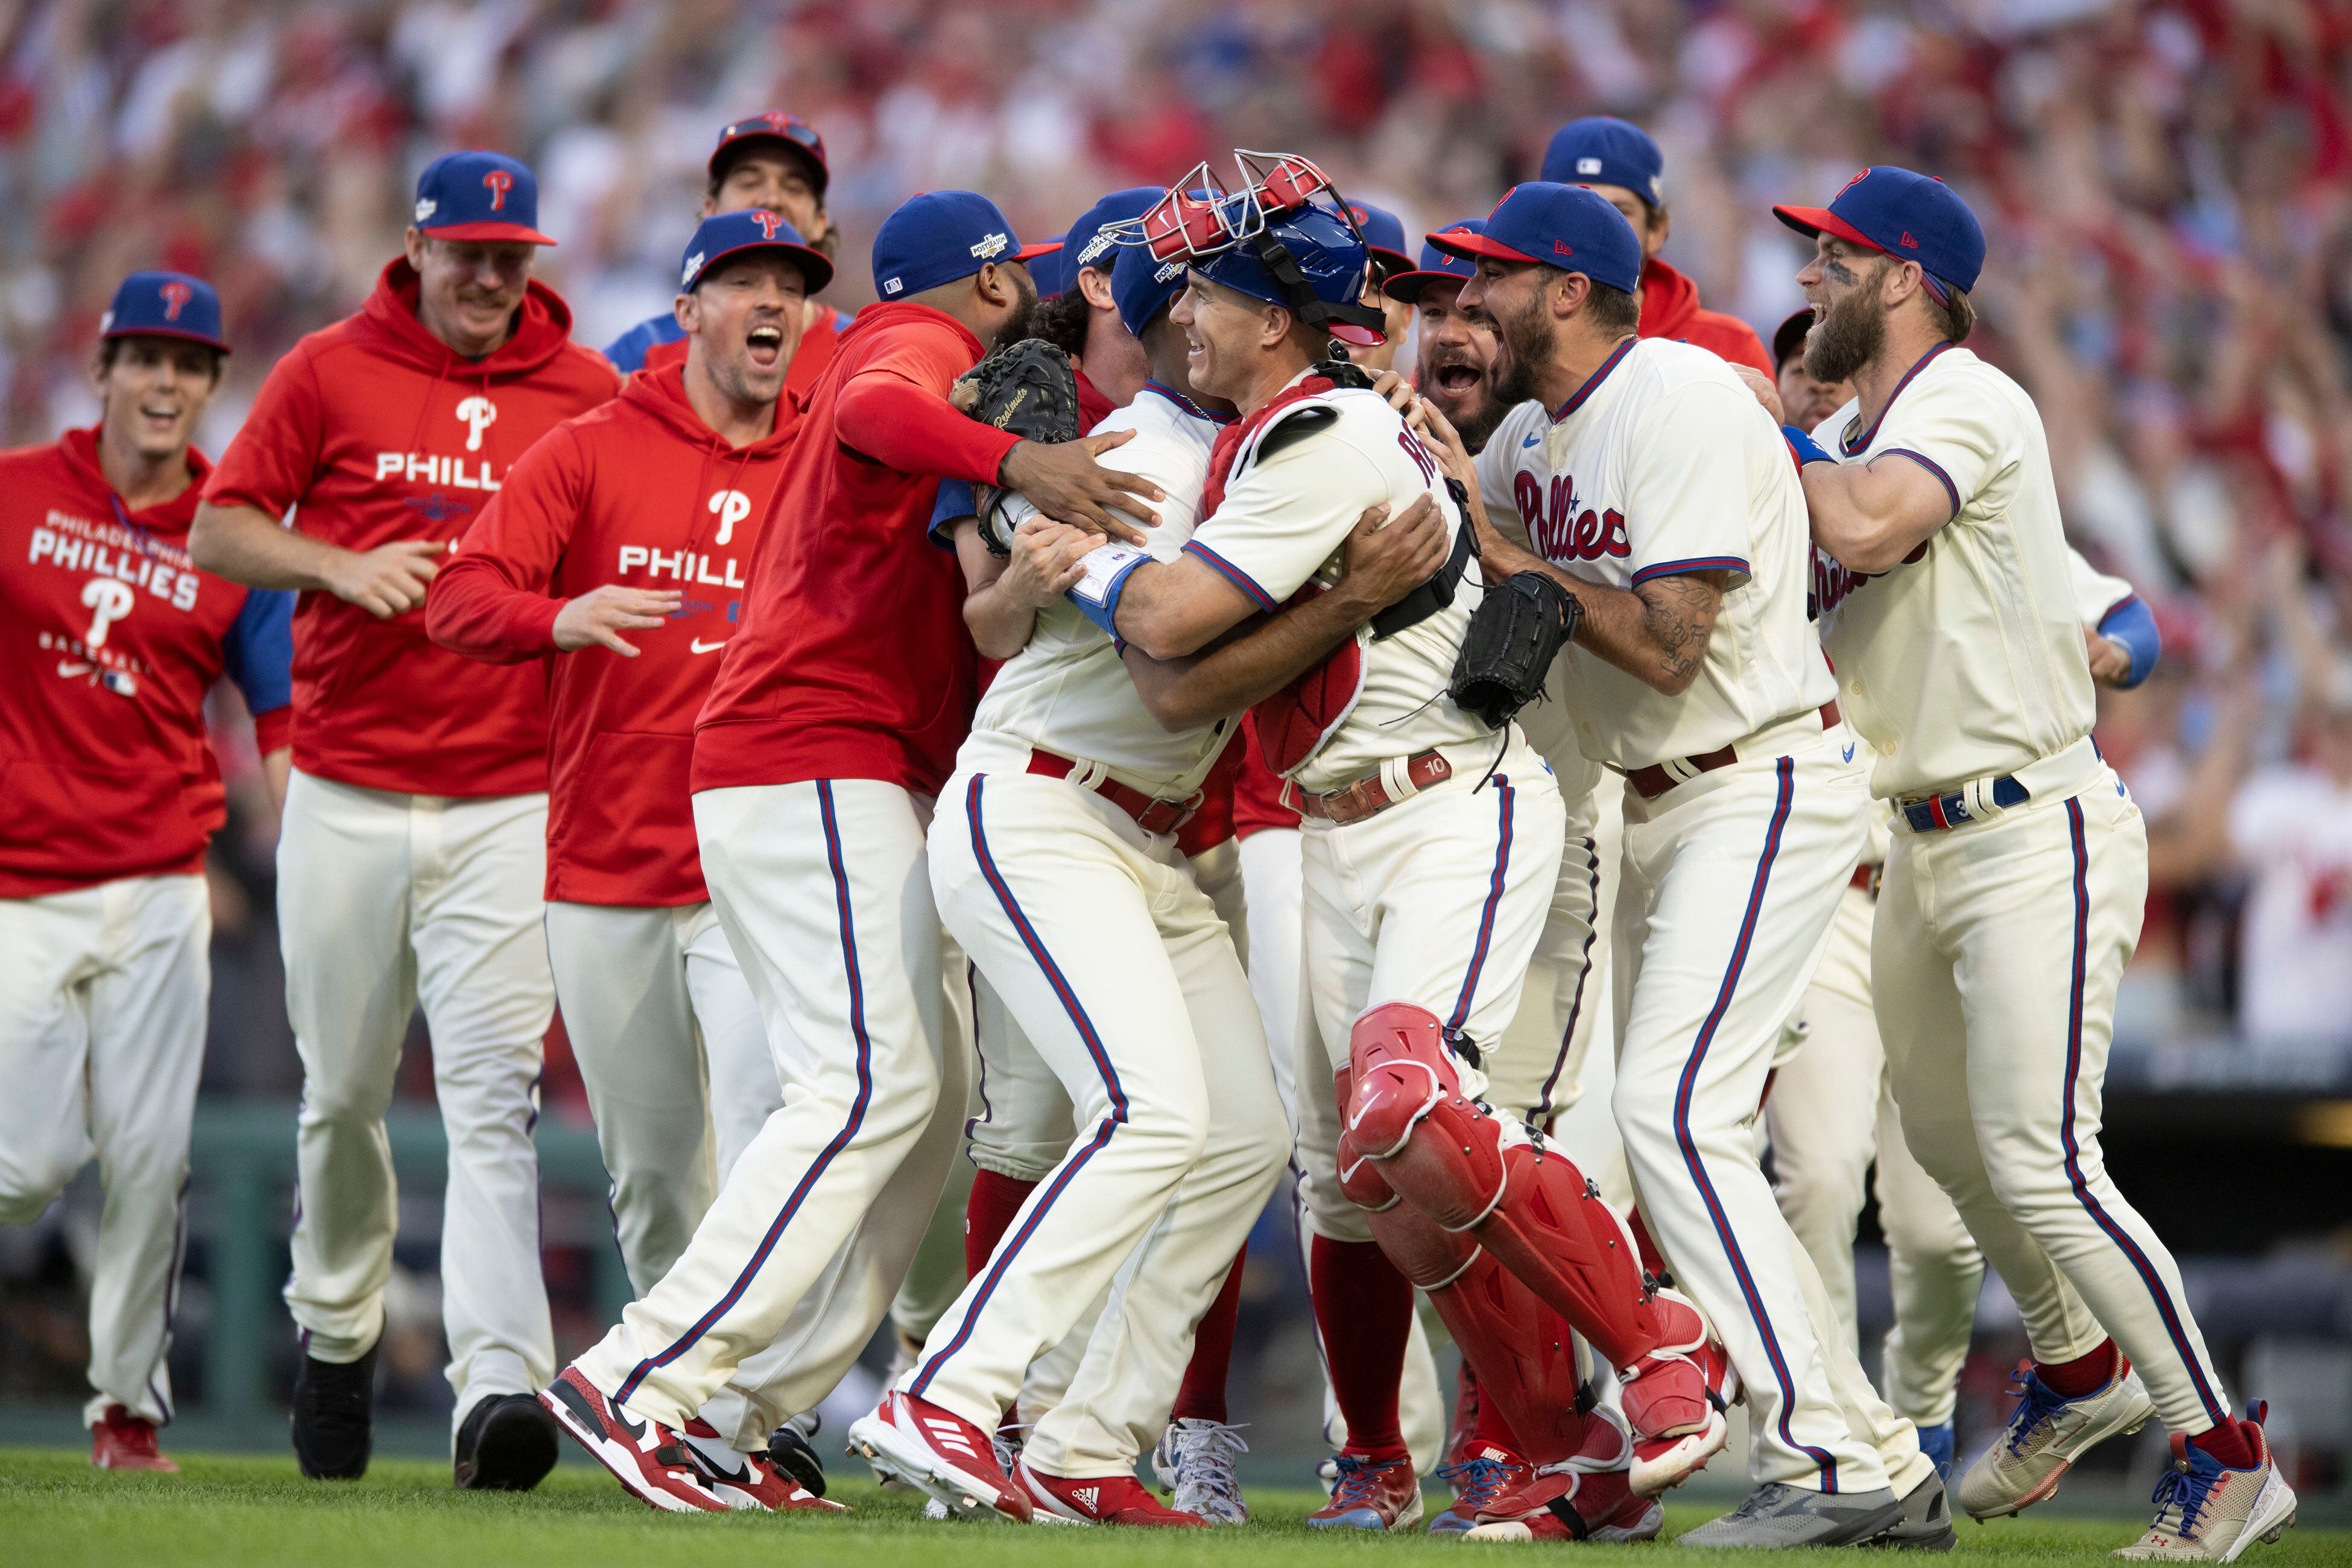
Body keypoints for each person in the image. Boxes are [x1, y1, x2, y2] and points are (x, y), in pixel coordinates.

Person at [1049, 158, 1696, 1543]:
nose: (1183, 323)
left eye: (1209, 293)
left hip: (1443, 804)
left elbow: (1164, 627)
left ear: (1277, 313)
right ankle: (1563, 1450)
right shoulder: (1288, 430)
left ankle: (1657, 1346)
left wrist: (1076, 554)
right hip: (1346, 820)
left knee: (1407, 1105)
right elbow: (1185, 687)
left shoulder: (1323, 435)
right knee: (1373, 1175)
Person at [540, 190, 1165, 1513]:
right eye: (1021, 281)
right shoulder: (913, 347)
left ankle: (741, 1412)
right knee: (868, 1083)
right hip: (811, 748)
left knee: (923, 1099)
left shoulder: (955, 371)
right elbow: (883, 405)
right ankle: (643, 1372)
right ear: (989, 282)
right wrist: (1018, 465)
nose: (1033, 302)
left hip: (850, 766)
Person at [849, 230, 1449, 1528]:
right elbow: (1157, 665)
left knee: (1238, 1136)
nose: (1184, 320)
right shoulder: (1130, 453)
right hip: (1045, 801)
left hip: (1156, 841)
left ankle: (1084, 1442)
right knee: (1153, 1110)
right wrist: (1340, 597)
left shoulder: (1266, 446)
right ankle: (949, 1390)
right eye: (1169, 300)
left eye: (1206, 297)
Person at [1778, 165, 2296, 1561]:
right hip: (1916, 837)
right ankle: (2077, 1370)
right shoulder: (1856, 427)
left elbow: (1871, 525)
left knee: (2041, 1152)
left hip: (2031, 826)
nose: (1809, 281)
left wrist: (1761, 439)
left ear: (1901, 277)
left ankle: (2230, 1454)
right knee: (1950, 1149)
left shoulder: (1961, 395)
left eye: (1832, 259)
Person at [1439, 182, 1943, 1547]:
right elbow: (1465, 563)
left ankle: (1828, 1463)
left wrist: (1501, 554)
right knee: (1656, 1125)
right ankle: (1874, 1448)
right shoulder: (1530, 435)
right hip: (1647, 808)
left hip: (1757, 780)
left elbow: (1668, 640)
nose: (1468, 295)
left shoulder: (1682, 398)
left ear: (1564, 288)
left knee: (1672, 1109)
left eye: (1491, 274)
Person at [189, 151, 619, 1490]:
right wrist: (335, 562)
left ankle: (501, 1387)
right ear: (419, 251)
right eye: (469, 253)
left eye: (513, 255)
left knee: (495, 1098)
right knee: (342, 1095)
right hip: (347, 783)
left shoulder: (586, 392)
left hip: (506, 794)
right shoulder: (329, 367)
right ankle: (336, 1328)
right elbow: (219, 532)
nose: (492, 276)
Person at [425, 212, 839, 1510]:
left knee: (777, 1126)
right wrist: (564, 613)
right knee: (657, 1178)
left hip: (751, 866)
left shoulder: (829, 456)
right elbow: (458, 598)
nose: (776, 304)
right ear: (692, 307)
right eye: (747, 284)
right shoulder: (595, 444)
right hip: (602, 864)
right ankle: (674, 1418)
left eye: (796, 286)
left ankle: (743, 1416)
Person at [1761, 311, 2166, 1483]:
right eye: (1788, 363)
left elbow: (2122, 614)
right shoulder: (1776, 498)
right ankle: (1832, 1438)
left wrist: (2109, 656)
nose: (1804, 377)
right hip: (1838, 892)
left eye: (1820, 359)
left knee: (1950, 1214)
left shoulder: (1929, 472)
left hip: (1972, 858)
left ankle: (1926, 1408)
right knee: (1824, 1175)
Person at [0, 273, 291, 1476]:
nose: (166, 382)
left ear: (213, 384)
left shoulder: (232, 531)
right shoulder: (14, 494)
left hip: (165, 879)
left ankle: (129, 1411)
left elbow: (278, 715)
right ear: (103, 371)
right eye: (145, 359)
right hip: (22, 882)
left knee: (151, 1162)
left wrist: (309, 853)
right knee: (24, 1164)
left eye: (190, 363)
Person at [603, 112, 847, 393]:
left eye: (793, 188)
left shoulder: (858, 356)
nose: (770, 199)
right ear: (710, 210)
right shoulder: (644, 352)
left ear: (820, 222)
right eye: (749, 182)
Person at [1540, 118, 1772, 377]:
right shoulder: (1507, 343)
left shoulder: (1729, 349)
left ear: (1657, 231)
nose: (1595, 227)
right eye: (1576, 208)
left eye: (1618, 212)